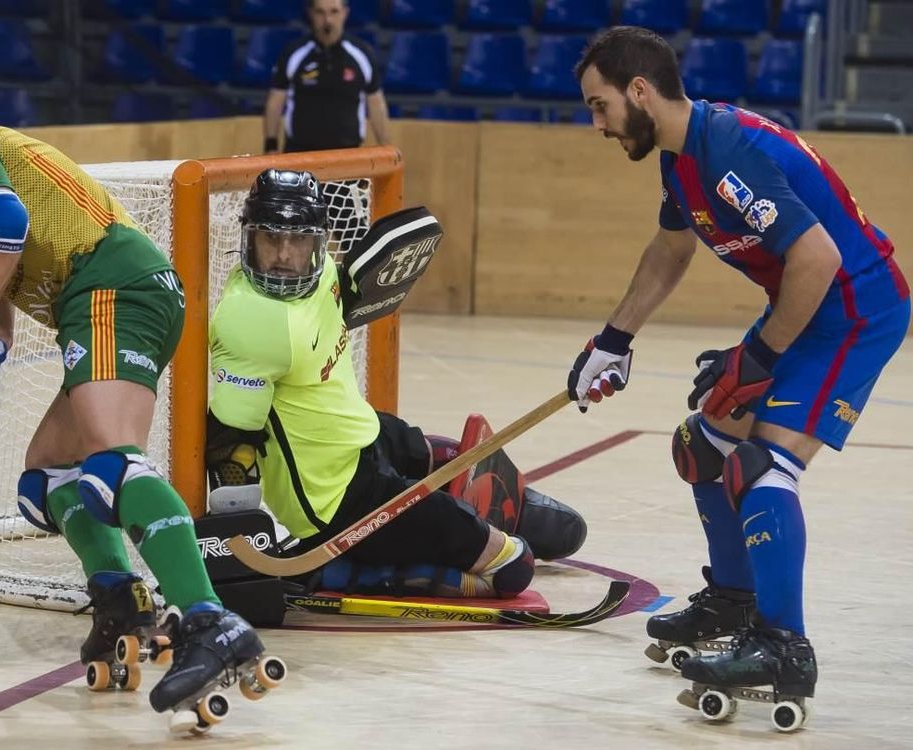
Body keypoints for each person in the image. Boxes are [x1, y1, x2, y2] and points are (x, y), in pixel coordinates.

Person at [0, 81, 277, 729]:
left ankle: (210, 619)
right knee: (48, 476)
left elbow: (7, 222)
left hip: (111, 283)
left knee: (112, 462)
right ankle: (120, 600)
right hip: (117, 294)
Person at [570, 27, 909, 721]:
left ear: (640, 91)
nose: (596, 123)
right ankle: (733, 596)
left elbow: (817, 259)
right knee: (704, 446)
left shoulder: (727, 151)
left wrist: (756, 359)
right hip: (810, 309)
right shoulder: (680, 157)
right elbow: (670, 251)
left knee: (760, 467)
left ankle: (785, 645)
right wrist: (614, 340)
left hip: (854, 311)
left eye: (599, 105)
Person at [206, 169, 588, 600]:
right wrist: (237, 557)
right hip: (336, 500)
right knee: (512, 567)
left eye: (298, 241)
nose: (283, 255)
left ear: (318, 243)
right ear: (248, 239)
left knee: (442, 453)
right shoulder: (252, 321)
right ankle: (336, 568)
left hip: (360, 437)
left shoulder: (328, 277)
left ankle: (493, 516)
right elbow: (230, 446)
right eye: (270, 238)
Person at [263, 0, 391, 155]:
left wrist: (385, 148)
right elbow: (275, 100)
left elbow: (375, 102)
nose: (328, 20)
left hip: (348, 156)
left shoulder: (362, 54)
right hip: (299, 155)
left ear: (345, 13)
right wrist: (271, 144)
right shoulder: (294, 53)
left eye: (334, 12)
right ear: (311, 14)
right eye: (320, 12)